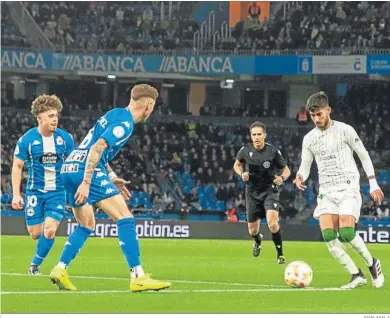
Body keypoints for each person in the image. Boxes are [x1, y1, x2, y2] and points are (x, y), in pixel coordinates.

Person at [49, 84, 171, 292]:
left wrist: (112, 176)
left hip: (69, 167)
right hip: (85, 170)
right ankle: (138, 276)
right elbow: (98, 148)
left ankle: (60, 268)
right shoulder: (125, 124)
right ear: (149, 105)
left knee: (86, 224)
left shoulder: (115, 113)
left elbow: (96, 147)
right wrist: (87, 182)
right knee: (125, 218)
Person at [293, 91, 385, 289]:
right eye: (313, 116)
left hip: (348, 187)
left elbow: (363, 155)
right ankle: (356, 274)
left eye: (320, 114)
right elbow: (306, 164)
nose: (316, 119)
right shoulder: (309, 139)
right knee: (328, 236)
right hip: (327, 191)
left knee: (345, 232)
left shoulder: (345, 130)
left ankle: (372, 263)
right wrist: (300, 176)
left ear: (328, 110)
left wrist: (373, 183)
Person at [11, 94, 74, 275]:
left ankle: (34, 266)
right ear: (40, 118)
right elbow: (17, 165)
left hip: (57, 192)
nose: (55, 120)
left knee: (50, 230)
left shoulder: (65, 139)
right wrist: (16, 194)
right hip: (35, 193)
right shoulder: (27, 140)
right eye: (51, 116)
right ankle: (36, 259)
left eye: (56, 116)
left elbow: (73, 165)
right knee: (35, 234)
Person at [233, 122, 291, 264]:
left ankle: (280, 255)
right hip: (252, 193)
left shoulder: (273, 151)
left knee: (272, 223)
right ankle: (258, 241)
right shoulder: (245, 150)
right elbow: (236, 164)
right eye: (254, 134)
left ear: (264, 135)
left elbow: (286, 170)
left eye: (259, 134)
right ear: (251, 136)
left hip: (269, 191)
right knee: (252, 232)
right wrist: (241, 174)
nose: (257, 137)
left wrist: (282, 178)